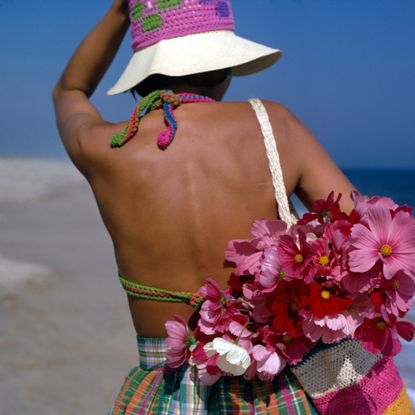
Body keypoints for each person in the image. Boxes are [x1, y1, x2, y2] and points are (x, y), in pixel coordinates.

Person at [52, 1, 413, 414]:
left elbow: (69, 90)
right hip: (279, 386)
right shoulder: (273, 124)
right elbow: (372, 237)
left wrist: (122, 9)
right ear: (226, 66)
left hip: (165, 395)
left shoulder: (104, 147)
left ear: (143, 71)